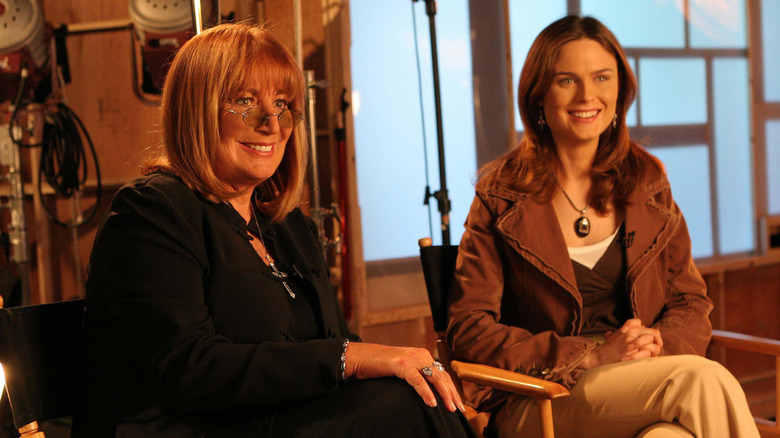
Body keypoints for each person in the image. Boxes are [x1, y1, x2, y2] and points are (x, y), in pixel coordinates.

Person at [74, 23, 473, 438]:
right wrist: (349, 357)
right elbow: (189, 370)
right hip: (190, 429)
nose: (272, 123)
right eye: (245, 101)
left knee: (416, 392)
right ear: (197, 109)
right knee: (406, 408)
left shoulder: (285, 225)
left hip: (279, 422)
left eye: (282, 104)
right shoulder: (152, 212)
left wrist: (376, 361)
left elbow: (336, 341)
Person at [446, 15, 759, 438]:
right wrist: (588, 356)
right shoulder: (501, 195)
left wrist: (655, 343)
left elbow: (690, 301)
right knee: (702, 380)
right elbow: (469, 330)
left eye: (601, 77)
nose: (587, 95)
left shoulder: (647, 181)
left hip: (644, 383)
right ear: (539, 94)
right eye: (566, 81)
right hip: (541, 398)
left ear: (620, 90)